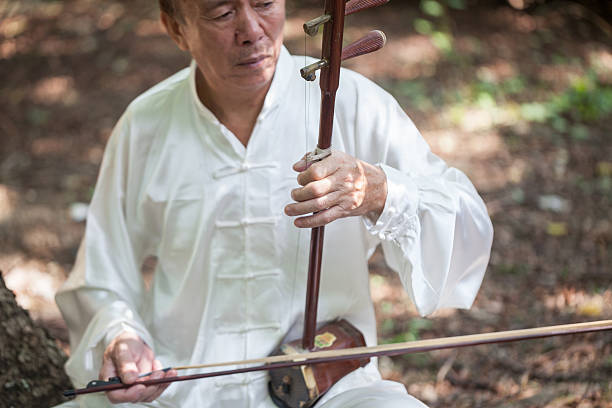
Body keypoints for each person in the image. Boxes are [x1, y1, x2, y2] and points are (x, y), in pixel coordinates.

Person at [54, 0, 494, 407]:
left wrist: (380, 191)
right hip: (184, 392)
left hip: (330, 391)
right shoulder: (145, 125)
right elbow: (101, 273)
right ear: (176, 28)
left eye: (264, 2)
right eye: (222, 12)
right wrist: (120, 336)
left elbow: (464, 218)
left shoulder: (352, 101)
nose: (251, 30)